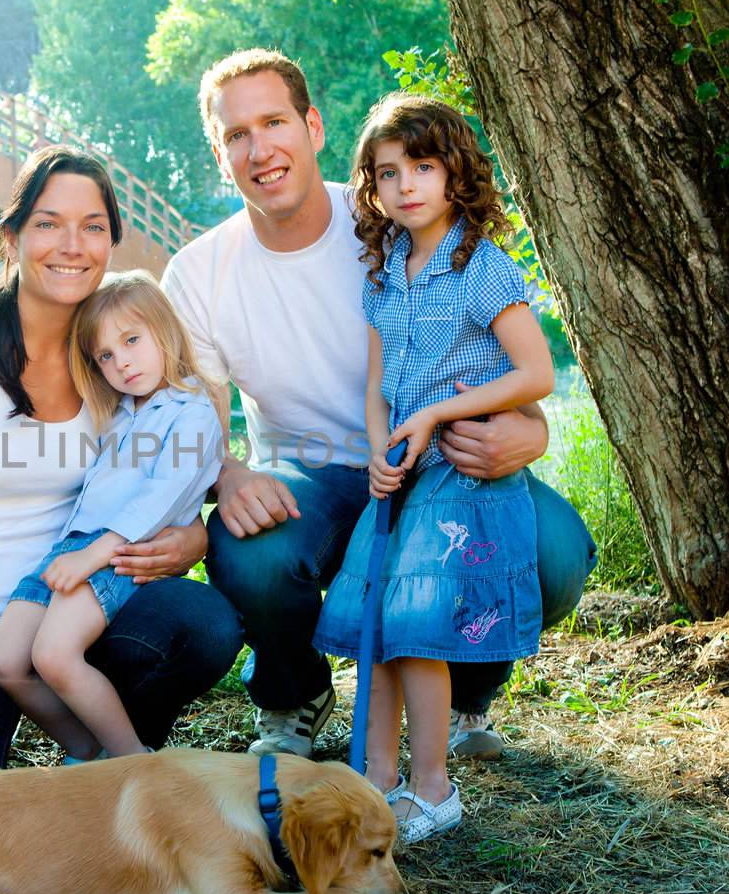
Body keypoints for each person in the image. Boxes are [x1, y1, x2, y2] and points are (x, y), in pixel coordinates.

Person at [160, 49, 596, 762]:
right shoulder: (200, 274)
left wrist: (532, 430)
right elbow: (197, 424)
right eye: (237, 134)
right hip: (316, 477)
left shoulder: (393, 221)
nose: (259, 148)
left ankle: (465, 694)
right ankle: (293, 695)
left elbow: (505, 359)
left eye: (274, 122)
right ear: (219, 154)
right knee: (253, 554)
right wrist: (229, 476)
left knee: (556, 556)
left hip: (439, 461)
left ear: (313, 125)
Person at [0, 145, 241, 805]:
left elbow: (180, 442)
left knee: (207, 624)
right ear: (14, 235)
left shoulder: (109, 348)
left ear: (110, 242)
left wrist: (201, 526)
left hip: (83, 601)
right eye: (48, 223)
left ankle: (122, 767)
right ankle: (86, 765)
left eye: (93, 226)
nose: (71, 245)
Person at [314, 93, 554, 844]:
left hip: (461, 472)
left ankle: (434, 789)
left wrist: (436, 416)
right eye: (388, 173)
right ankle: (375, 781)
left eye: (423, 166)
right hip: (403, 469)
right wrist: (382, 444)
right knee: (376, 622)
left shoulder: (480, 267)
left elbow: (537, 371)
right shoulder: (385, 270)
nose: (406, 185)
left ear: (456, 175)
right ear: (372, 188)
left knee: (419, 626)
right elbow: (378, 383)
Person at [0, 273, 223, 760]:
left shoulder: (192, 412)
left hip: (116, 552)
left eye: (132, 340)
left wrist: (94, 555)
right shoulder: (117, 411)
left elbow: (160, 499)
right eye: (105, 356)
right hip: (71, 546)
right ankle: (90, 754)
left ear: (166, 332)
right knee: (2, 659)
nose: (122, 362)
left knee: (53, 654)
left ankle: (131, 761)